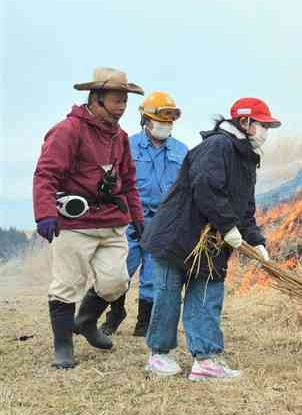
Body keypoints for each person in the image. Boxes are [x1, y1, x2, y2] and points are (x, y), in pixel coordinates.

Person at [140, 97, 279, 381]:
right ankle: (159, 355)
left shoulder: (247, 158)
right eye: (262, 124)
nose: (266, 131)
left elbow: (245, 207)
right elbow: (206, 186)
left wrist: (256, 240)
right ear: (244, 122)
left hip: (211, 242)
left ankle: (205, 359)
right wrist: (228, 226)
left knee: (207, 294)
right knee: (168, 294)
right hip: (179, 234)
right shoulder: (218, 146)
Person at [33, 67, 145, 369]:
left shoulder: (120, 137)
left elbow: (129, 181)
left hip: (111, 221)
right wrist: (45, 214)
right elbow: (46, 174)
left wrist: (138, 219)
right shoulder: (68, 130)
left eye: (125, 101)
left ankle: (85, 320)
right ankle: (63, 347)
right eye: (116, 100)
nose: (122, 107)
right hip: (75, 224)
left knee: (116, 281)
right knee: (67, 283)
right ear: (96, 98)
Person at [99, 91, 188, 337]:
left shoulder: (182, 151)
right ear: (146, 120)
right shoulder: (126, 145)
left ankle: (144, 321)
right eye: (161, 120)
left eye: (170, 121)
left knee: (153, 273)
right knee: (120, 269)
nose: (165, 125)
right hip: (128, 218)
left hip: (163, 221)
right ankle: (115, 314)